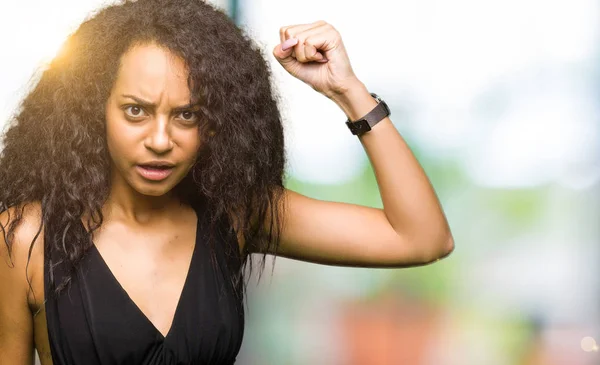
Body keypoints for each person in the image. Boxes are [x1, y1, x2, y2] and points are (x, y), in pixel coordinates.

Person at [0, 0, 454, 364]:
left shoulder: (234, 214)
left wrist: (349, 92)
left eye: (186, 115)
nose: (160, 140)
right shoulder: (25, 239)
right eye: (136, 110)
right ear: (94, 110)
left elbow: (421, 238)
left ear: (215, 124)